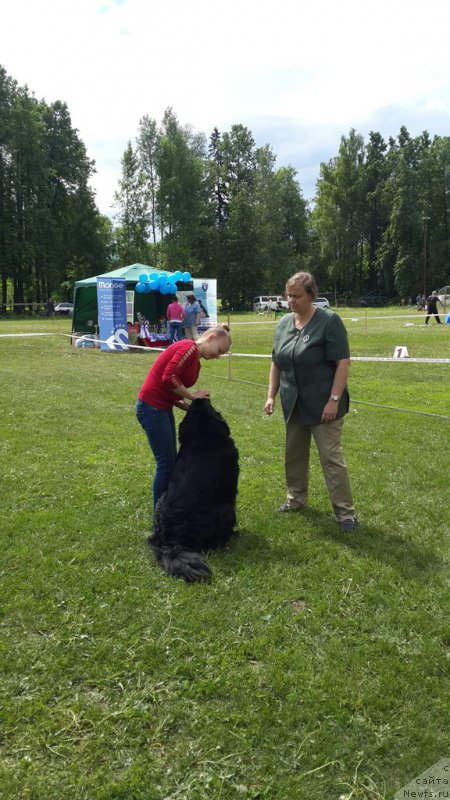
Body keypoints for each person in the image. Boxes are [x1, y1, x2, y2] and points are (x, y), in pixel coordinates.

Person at [264, 271, 357, 531]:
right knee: (293, 454)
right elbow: (276, 361)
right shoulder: (283, 323)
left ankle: (345, 513)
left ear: (311, 295)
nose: (291, 301)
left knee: (331, 458)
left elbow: (343, 363)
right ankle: (296, 499)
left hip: (324, 404)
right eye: (288, 296)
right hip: (293, 403)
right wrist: (271, 395)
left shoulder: (329, 321)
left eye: (296, 296)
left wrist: (333, 400)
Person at [136, 325, 232, 511]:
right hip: (151, 408)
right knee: (165, 464)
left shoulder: (196, 362)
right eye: (219, 350)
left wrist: (193, 408)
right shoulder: (188, 347)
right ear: (211, 338)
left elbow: (173, 392)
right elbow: (168, 377)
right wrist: (192, 397)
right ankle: (160, 516)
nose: (218, 356)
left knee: (171, 461)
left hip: (162, 408)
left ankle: (168, 509)